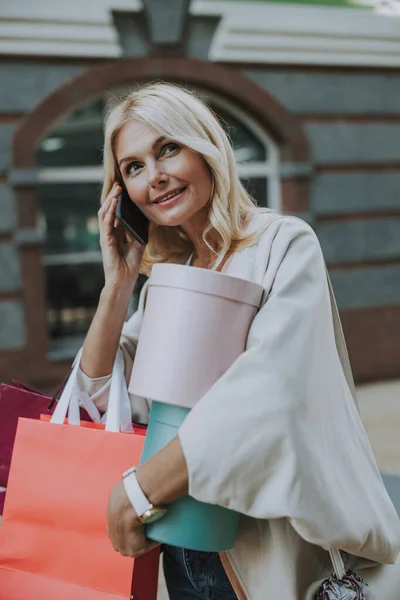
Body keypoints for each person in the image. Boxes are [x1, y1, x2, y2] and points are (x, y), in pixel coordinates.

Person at [77, 82, 400, 599]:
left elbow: (266, 391)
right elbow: (102, 401)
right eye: (133, 167)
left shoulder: (283, 244)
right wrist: (118, 287)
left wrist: (138, 491)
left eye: (167, 149)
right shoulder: (169, 277)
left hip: (273, 556)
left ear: (205, 146)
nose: (154, 176)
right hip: (185, 553)